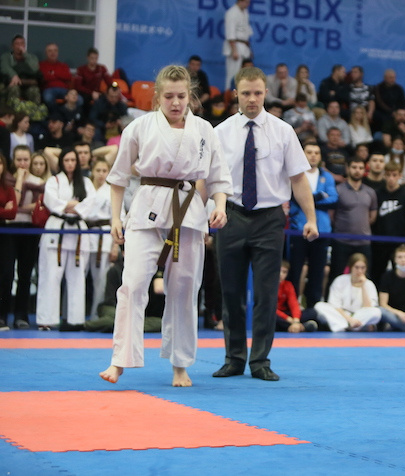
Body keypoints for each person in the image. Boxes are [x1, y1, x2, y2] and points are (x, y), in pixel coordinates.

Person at [99, 65, 232, 387]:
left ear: (190, 96)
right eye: (169, 96)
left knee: (185, 289)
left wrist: (220, 206)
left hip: (188, 211)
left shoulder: (204, 129)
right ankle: (120, 359)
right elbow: (118, 178)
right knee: (132, 284)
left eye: (181, 96)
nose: (176, 102)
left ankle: (180, 364)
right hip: (147, 207)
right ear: (157, 96)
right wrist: (115, 218)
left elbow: (219, 176)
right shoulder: (140, 127)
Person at [213, 66, 318, 382]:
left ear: (266, 93)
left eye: (258, 93)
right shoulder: (221, 132)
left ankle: (260, 360)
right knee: (231, 292)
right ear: (236, 94)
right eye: (246, 93)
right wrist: (204, 214)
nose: (252, 99)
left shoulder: (283, 131)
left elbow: (298, 178)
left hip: (270, 218)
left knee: (266, 293)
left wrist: (311, 218)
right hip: (231, 214)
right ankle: (234, 358)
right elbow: (210, 179)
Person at [36, 148, 96, 330]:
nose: (70, 163)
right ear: (61, 162)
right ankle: (46, 319)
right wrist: (70, 205)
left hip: (77, 232)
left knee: (77, 277)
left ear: (77, 162)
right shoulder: (54, 181)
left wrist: (71, 207)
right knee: (50, 275)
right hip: (57, 229)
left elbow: (90, 203)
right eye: (67, 160)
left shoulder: (85, 182)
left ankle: (75, 320)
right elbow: (50, 201)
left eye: (73, 160)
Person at [287, 142, 337, 309]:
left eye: (316, 152)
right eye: (309, 152)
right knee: (295, 270)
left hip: (322, 230)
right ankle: (292, 307)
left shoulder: (326, 176)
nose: (313, 155)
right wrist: (319, 196)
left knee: (317, 271)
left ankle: (313, 308)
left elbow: (334, 199)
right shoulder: (295, 174)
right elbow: (292, 198)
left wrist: (307, 199)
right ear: (303, 154)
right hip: (298, 229)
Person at [6, 147, 46, 329]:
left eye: (25, 160)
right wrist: (20, 179)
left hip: (30, 228)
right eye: (19, 160)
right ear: (13, 161)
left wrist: (17, 209)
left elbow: (38, 206)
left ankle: (21, 315)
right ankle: (2, 315)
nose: (22, 163)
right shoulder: (7, 180)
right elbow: (14, 203)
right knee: (6, 273)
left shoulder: (38, 182)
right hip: (9, 228)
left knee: (25, 273)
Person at [328, 156, 377, 289]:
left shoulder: (370, 192)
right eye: (354, 167)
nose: (357, 170)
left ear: (364, 170)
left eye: (360, 168)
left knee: (365, 277)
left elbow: (372, 216)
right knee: (336, 275)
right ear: (347, 169)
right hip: (341, 241)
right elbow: (331, 216)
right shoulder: (338, 190)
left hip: (363, 242)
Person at [371, 161, 405, 287]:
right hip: (379, 242)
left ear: (400, 176)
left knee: (401, 275)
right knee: (376, 274)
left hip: (400, 242)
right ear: (384, 175)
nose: (391, 178)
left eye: (394, 175)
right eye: (388, 175)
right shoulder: (377, 194)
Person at [315, 253, 381, 332]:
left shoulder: (369, 284)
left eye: (363, 268)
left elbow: (368, 308)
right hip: (341, 315)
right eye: (356, 267)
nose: (359, 271)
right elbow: (335, 305)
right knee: (319, 306)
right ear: (351, 267)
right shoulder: (340, 280)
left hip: (359, 316)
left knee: (376, 312)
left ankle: (344, 326)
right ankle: (347, 325)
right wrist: (349, 320)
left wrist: (363, 286)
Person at [85, 158, 114, 319]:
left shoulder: (111, 190)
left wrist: (115, 246)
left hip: (104, 235)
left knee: (100, 279)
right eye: (98, 170)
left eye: (104, 171)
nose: (101, 174)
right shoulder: (85, 188)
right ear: (92, 171)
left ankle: (97, 315)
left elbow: (117, 219)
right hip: (83, 233)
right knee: (78, 277)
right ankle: (73, 316)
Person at [0, 152, 18, 330]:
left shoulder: (8, 188)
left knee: (6, 274)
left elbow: (12, 213)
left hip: (5, 233)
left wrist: (5, 211)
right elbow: (7, 211)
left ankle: (3, 317)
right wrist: (3, 209)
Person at [275, 261, 318, 333]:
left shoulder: (288, 285)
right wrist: (289, 319)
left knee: (312, 312)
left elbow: (294, 304)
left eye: (284, 272)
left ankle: (293, 327)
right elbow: (271, 308)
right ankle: (302, 327)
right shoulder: (268, 285)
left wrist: (296, 320)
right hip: (277, 315)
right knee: (270, 316)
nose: (281, 274)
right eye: (279, 271)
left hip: (287, 315)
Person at [1, 35, 41, 105]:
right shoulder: (6, 56)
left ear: (24, 45)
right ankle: (12, 110)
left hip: (28, 85)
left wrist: (25, 55)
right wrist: (14, 75)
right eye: (17, 44)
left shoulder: (32, 57)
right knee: (14, 89)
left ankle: (34, 110)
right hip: (12, 84)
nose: (20, 46)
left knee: (34, 91)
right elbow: (4, 67)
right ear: (12, 46)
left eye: (22, 43)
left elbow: (35, 68)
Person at [223, 0, 253, 90]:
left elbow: (246, 31)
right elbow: (230, 32)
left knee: (245, 73)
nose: (248, 4)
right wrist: (234, 50)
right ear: (240, 1)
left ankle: (242, 92)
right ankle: (229, 93)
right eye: (246, 2)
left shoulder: (245, 12)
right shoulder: (232, 12)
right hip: (235, 45)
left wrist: (249, 49)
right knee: (233, 73)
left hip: (244, 45)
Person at [74, 48, 113, 112]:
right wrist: (91, 92)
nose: (94, 60)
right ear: (88, 58)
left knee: (107, 99)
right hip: (84, 93)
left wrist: (111, 90)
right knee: (83, 100)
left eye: (96, 58)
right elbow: (78, 86)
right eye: (92, 58)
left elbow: (109, 82)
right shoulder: (81, 69)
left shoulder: (101, 68)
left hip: (97, 93)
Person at [39, 43, 77, 108]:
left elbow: (68, 77)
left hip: (64, 90)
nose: (53, 53)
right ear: (46, 53)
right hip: (49, 89)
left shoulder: (63, 65)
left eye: (55, 50)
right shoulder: (41, 65)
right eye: (50, 51)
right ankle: (56, 113)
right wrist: (59, 75)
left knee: (79, 100)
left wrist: (53, 73)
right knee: (48, 98)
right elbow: (44, 77)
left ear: (58, 53)